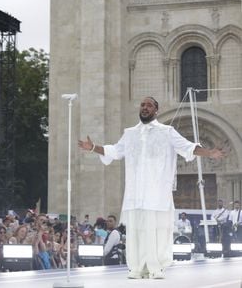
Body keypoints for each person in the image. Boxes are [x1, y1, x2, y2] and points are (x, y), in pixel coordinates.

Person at [78, 96, 225, 279]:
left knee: (157, 232)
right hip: (135, 194)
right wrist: (93, 148)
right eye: (142, 105)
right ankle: (136, 268)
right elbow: (114, 151)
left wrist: (209, 152)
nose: (145, 107)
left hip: (157, 195)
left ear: (156, 110)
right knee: (135, 232)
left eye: (149, 105)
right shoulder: (130, 133)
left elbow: (187, 147)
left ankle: (156, 268)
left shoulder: (167, 131)